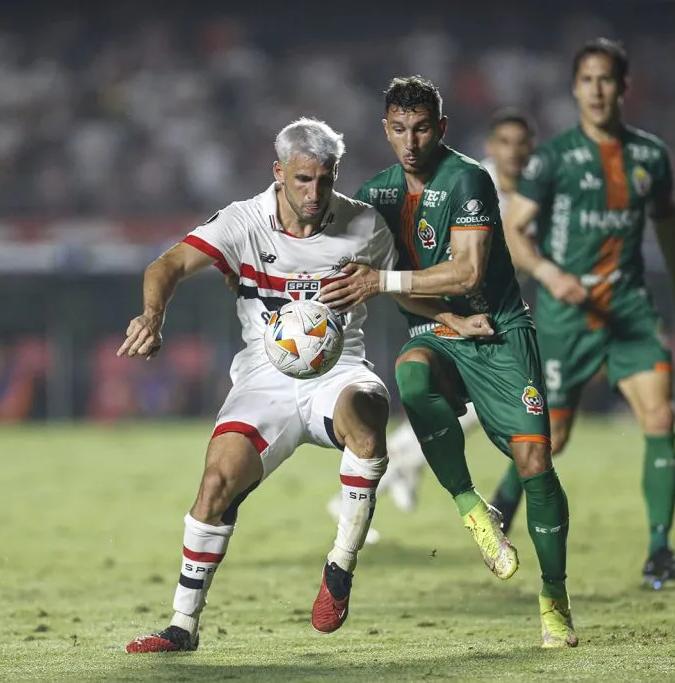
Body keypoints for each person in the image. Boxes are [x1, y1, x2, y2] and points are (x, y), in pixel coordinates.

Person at [120, 118, 483, 653]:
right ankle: (182, 626)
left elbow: (401, 291)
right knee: (217, 485)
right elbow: (168, 264)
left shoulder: (365, 226)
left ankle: (340, 567)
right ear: (279, 173)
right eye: (302, 180)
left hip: (339, 370)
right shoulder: (244, 222)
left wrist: (454, 321)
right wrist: (152, 316)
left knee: (366, 419)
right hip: (264, 379)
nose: (315, 193)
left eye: (325, 180)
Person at [318, 76, 577, 648]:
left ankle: (554, 599)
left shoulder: (468, 179)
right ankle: (471, 507)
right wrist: (447, 319)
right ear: (385, 130)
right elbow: (381, 279)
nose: (411, 141)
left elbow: (467, 273)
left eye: (423, 127)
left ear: (442, 128)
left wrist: (383, 281)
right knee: (409, 375)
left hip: (501, 331)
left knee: (535, 461)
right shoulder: (377, 195)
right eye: (399, 129)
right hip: (440, 329)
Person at [496, 38, 675, 589]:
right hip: (569, 319)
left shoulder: (649, 157)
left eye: (606, 79)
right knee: (550, 440)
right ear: (574, 88)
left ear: (623, 87)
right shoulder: (553, 158)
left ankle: (659, 550)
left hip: (630, 312)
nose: (596, 89)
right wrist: (547, 274)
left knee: (661, 419)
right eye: (586, 79)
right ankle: (498, 510)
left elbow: (667, 225)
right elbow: (514, 229)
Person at [327, 107, 538, 543]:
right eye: (505, 144)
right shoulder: (473, 183)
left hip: (495, 310)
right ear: (491, 150)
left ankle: (403, 468)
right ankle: (384, 479)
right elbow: (478, 259)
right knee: (471, 400)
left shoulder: (536, 191)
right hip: (443, 305)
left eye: (522, 145)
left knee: (486, 409)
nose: (514, 153)